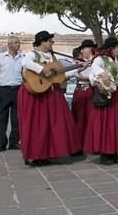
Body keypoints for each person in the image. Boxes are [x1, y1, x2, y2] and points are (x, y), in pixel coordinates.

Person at [18, 31, 81, 166]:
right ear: (42, 42)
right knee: (37, 124)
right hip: (36, 93)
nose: (52, 43)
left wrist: (77, 70)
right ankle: (35, 155)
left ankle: (48, 152)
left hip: (51, 92)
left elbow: (59, 75)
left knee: (52, 124)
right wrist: (41, 70)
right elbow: (25, 62)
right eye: (50, 41)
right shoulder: (32, 54)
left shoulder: (53, 57)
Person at [84, 36, 118, 164]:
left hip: (117, 95)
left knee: (116, 124)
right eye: (117, 48)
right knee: (106, 124)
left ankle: (114, 152)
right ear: (110, 49)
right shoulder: (100, 59)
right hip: (106, 95)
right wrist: (103, 75)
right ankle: (105, 153)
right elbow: (95, 69)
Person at [0, 35, 24, 153]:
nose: (18, 45)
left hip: (18, 90)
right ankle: (1, 144)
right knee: (1, 118)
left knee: (17, 118)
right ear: (8, 44)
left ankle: (14, 142)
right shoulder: (0, 58)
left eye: (18, 43)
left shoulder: (23, 58)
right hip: (3, 91)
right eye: (15, 43)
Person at [70, 39, 96, 152]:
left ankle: (93, 144)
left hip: (92, 90)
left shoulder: (96, 61)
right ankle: (78, 145)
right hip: (80, 90)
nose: (90, 50)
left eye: (91, 48)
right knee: (79, 117)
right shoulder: (77, 62)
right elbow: (75, 75)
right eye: (87, 48)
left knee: (92, 118)